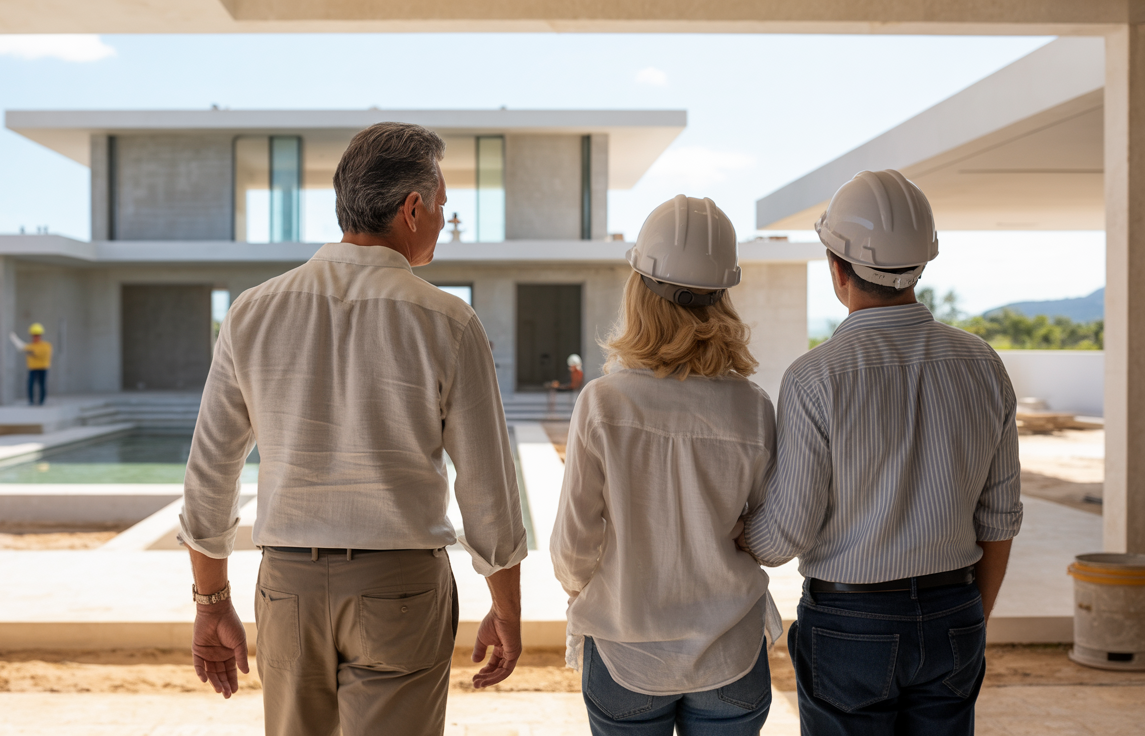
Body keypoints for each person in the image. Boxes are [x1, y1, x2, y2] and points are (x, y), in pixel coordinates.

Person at [178, 122, 527, 736]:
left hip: (288, 588)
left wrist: (211, 602)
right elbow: (486, 487)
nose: (443, 222)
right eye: (442, 207)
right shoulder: (448, 322)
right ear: (412, 209)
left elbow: (210, 474)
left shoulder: (252, 312)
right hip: (401, 591)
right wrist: (506, 606)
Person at [740, 170, 1023, 735]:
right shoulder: (983, 363)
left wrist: (739, 531)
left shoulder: (815, 377)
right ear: (923, 263)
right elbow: (1000, 518)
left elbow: (784, 537)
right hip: (955, 608)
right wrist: (967, 619)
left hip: (850, 624)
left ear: (836, 267)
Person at [552, 195, 780, 736]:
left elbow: (572, 547)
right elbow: (770, 532)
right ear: (723, 297)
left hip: (626, 654)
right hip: (731, 657)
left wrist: (593, 592)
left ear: (639, 290)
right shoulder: (752, 406)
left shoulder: (605, 403)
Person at [9, 323, 52, 405]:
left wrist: (28, 350)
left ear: (40, 336)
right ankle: (31, 401)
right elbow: (21, 347)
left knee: (42, 385)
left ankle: (41, 401)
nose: (35, 337)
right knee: (30, 384)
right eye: (34, 335)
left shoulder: (46, 346)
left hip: (43, 368)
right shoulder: (30, 346)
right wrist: (15, 339)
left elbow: (39, 353)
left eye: (37, 335)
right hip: (32, 368)